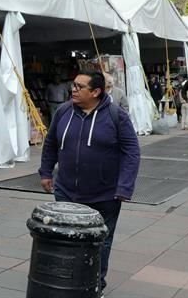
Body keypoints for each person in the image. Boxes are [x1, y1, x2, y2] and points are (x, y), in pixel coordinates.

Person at [38, 72, 140, 295]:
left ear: (96, 92)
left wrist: (124, 186)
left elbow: (131, 152)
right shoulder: (64, 111)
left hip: (104, 195)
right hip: (66, 192)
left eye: (79, 86)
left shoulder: (116, 116)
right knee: (66, 239)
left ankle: (94, 285)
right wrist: (46, 172)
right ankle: (68, 282)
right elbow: (51, 143)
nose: (73, 89)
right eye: (73, 85)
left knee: (100, 243)